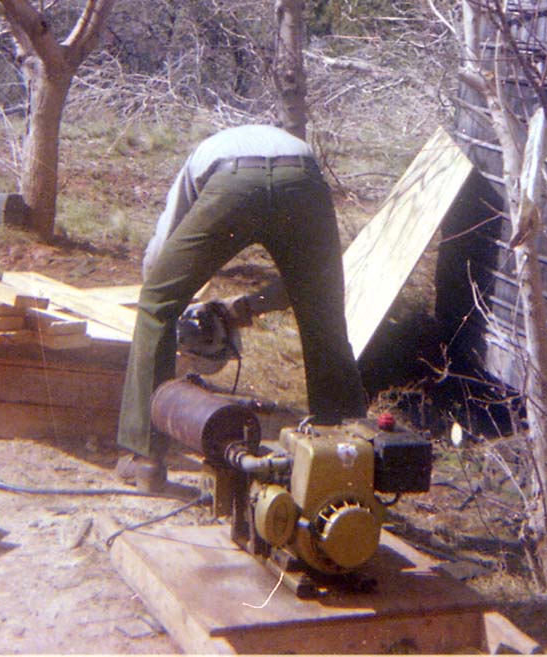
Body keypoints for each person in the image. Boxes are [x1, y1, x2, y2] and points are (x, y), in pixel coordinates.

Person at [115, 124, 368, 489]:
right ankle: (347, 458)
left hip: (232, 180)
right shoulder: (288, 146)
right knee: (323, 311)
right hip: (302, 177)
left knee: (156, 303)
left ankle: (145, 459)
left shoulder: (197, 162)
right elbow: (306, 285)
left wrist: (168, 298)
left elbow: (162, 256)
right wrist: (245, 308)